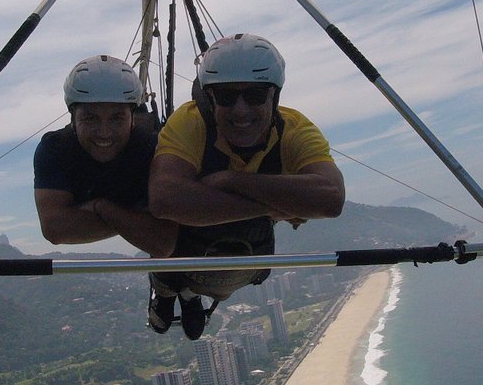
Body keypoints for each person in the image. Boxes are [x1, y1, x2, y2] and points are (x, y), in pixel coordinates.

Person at [148, 34, 345, 339]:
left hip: (243, 245)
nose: (241, 110)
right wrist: (275, 206)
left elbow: (331, 199)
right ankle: (165, 292)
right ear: (210, 99)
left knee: (234, 263)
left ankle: (189, 296)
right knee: (166, 256)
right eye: (226, 97)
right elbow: (164, 199)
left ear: (273, 97)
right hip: (186, 243)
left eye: (254, 96)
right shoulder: (190, 122)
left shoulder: (294, 129)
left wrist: (231, 180)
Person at [33, 56, 177, 259]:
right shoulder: (56, 149)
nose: (104, 132)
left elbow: (162, 243)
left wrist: (101, 207)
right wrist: (135, 218)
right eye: (90, 118)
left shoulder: (151, 149)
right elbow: (55, 230)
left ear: (132, 119)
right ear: (73, 118)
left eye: (116, 119)